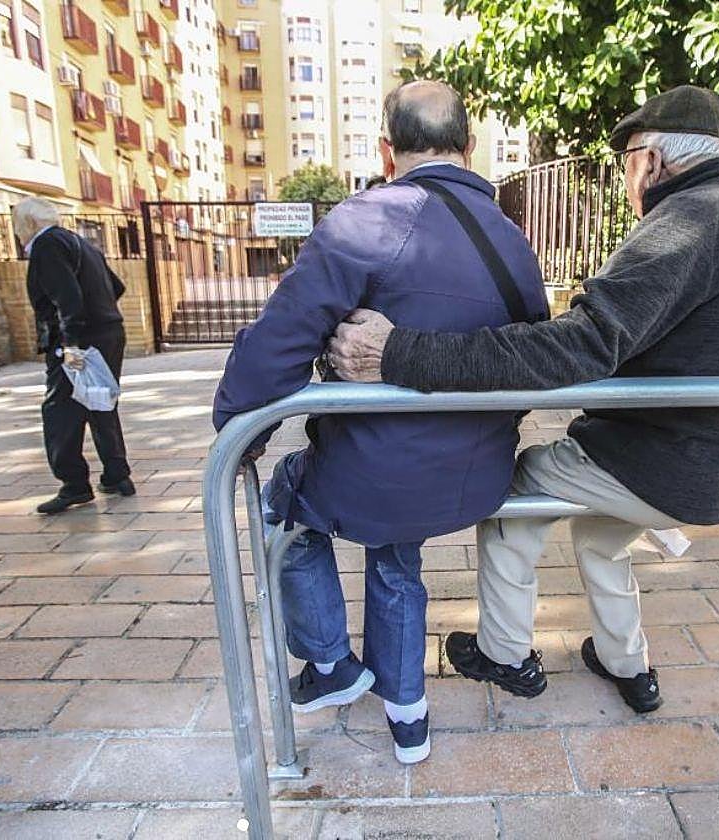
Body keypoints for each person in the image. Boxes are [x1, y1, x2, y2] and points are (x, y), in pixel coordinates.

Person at [327, 85, 719, 713]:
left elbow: (575, 348)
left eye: (627, 161)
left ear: (651, 162)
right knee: (602, 538)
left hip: (657, 459)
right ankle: (626, 663)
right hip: (717, 467)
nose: (628, 178)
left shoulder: (690, 222)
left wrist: (397, 353)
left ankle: (503, 653)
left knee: (512, 498)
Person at [212, 81, 548, 763]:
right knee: (397, 555)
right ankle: (408, 717)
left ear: (387, 150)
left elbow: (281, 341)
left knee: (285, 507)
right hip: (472, 472)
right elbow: (531, 357)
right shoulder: (514, 242)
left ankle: (331, 662)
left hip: (367, 471)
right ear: (470, 147)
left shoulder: (366, 220)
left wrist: (235, 427)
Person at [13, 198, 135, 515]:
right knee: (100, 402)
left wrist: (70, 346)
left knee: (60, 411)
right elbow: (116, 286)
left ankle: (74, 485)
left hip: (77, 340)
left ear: (25, 224)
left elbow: (68, 299)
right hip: (108, 332)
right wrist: (100, 312)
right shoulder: (79, 243)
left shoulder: (47, 245)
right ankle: (117, 475)